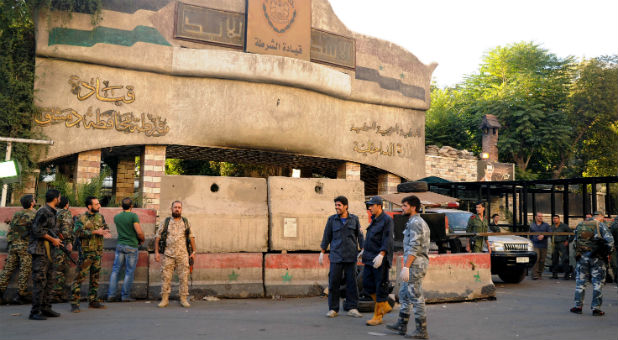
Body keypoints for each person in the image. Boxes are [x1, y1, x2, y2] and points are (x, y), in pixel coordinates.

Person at [386, 195, 430, 339]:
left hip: (415, 265)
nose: (402, 208)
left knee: (416, 297)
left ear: (413, 207)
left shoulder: (416, 222)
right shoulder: (412, 221)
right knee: (404, 294)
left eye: (404, 206)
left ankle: (421, 330)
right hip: (412, 264)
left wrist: (406, 267)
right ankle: (402, 324)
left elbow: (415, 247)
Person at [319, 196, 364, 318]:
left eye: (339, 205)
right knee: (334, 283)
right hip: (336, 256)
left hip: (350, 256)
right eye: (336, 205)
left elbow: (359, 235)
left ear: (346, 206)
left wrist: (363, 248)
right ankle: (333, 309)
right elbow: (326, 236)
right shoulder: (332, 220)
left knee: (352, 283)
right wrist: (322, 252)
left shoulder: (354, 219)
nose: (336, 207)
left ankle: (352, 308)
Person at [70, 196, 112, 313]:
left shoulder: (100, 217)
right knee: (79, 278)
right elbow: (77, 232)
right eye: (96, 204)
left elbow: (105, 227)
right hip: (85, 254)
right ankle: (75, 303)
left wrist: (105, 231)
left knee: (95, 278)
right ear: (89, 206)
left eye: (99, 204)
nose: (99, 206)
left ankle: (93, 301)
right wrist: (95, 231)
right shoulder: (81, 218)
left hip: (97, 253)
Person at [570, 211, 614, 316]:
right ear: (600, 217)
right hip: (597, 259)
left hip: (582, 257)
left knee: (580, 282)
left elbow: (575, 241)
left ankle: (578, 306)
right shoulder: (600, 225)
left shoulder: (580, 225)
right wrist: (607, 253)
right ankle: (596, 308)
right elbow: (610, 241)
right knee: (597, 283)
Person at [28, 189, 62, 320]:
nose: (60, 199)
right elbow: (37, 230)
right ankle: (35, 311)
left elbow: (50, 230)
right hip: (40, 252)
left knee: (49, 280)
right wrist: (53, 240)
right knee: (40, 281)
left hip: (49, 252)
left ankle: (46, 308)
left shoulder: (53, 212)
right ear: (55, 198)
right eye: (59, 197)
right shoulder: (43, 211)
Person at [154, 201, 196, 308]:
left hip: (183, 255)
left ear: (181, 209)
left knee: (184, 278)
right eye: (175, 207)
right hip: (168, 254)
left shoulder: (186, 222)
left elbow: (191, 237)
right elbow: (158, 237)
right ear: (171, 209)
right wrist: (157, 252)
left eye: (179, 207)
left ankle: (183, 299)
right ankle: (164, 299)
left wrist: (194, 252)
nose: (177, 209)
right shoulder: (166, 222)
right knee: (166, 277)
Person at [362, 196, 394, 326]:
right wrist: (364, 250)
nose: (369, 208)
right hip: (370, 257)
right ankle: (385, 305)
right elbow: (371, 237)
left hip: (379, 258)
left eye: (371, 205)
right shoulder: (374, 219)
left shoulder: (387, 220)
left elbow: (388, 238)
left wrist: (382, 254)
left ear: (379, 206)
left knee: (380, 286)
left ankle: (378, 316)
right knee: (367, 284)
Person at [107, 197, 145, 302]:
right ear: (131, 206)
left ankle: (111, 295)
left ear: (121, 206)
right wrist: (142, 239)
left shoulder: (117, 217)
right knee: (129, 271)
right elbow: (139, 231)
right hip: (131, 246)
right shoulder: (133, 216)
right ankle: (125, 296)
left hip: (120, 245)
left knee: (115, 270)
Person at [0, 195, 36, 305]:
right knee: (24, 270)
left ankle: (0, 292)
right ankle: (21, 294)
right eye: (34, 199)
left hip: (13, 245)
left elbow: (11, 229)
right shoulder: (34, 214)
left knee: (8, 269)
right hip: (25, 246)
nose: (35, 201)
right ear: (31, 203)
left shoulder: (17, 214)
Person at [50, 196, 74, 303]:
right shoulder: (65, 213)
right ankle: (56, 294)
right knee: (60, 270)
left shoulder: (55, 212)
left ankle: (57, 293)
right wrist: (69, 242)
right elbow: (67, 229)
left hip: (54, 243)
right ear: (66, 204)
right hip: (62, 244)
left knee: (57, 269)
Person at [529, 212, 551, 280]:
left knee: (542, 260)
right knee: (536, 259)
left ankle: (539, 273)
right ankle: (534, 275)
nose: (541, 217)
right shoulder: (532, 225)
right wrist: (536, 238)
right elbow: (530, 236)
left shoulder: (546, 225)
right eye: (539, 216)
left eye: (541, 216)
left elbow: (550, 233)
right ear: (536, 217)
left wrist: (543, 236)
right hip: (535, 244)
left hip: (543, 245)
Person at [550, 215, 571, 280]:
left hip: (562, 244)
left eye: (556, 218)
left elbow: (572, 233)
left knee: (564, 259)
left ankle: (567, 275)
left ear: (559, 219)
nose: (555, 220)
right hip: (554, 244)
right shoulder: (552, 226)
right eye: (554, 218)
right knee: (554, 259)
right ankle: (554, 274)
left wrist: (568, 241)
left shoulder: (564, 226)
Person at [609, 216, 618, 284]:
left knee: (615, 263)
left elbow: (610, 236)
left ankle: (616, 277)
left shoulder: (613, 225)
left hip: (614, 246)